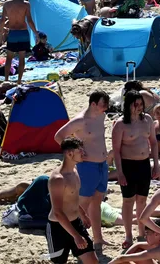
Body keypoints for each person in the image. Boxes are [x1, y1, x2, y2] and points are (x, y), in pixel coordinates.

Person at [54, 90, 111, 249]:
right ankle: (78, 242)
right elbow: (59, 136)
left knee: (97, 203)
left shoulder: (101, 116)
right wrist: (74, 152)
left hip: (102, 165)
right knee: (81, 206)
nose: (105, 108)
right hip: (86, 166)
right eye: (102, 105)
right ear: (93, 104)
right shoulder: (80, 121)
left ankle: (98, 239)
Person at [111, 90, 158, 250]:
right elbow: (116, 150)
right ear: (128, 105)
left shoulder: (148, 120)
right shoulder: (120, 124)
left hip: (144, 164)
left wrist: (156, 164)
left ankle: (140, 233)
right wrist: (120, 172)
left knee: (142, 201)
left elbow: (154, 142)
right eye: (135, 104)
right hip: (128, 165)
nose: (139, 107)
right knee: (128, 201)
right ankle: (128, 235)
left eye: (141, 104)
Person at [46, 137, 99, 264]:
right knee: (59, 262)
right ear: (70, 154)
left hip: (75, 222)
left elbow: (72, 198)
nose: (83, 153)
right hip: (57, 227)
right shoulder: (58, 179)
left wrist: (83, 214)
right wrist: (76, 236)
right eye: (80, 151)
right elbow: (58, 212)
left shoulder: (75, 171)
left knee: (92, 261)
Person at [1, 0, 37, 83]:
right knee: (21, 58)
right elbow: (29, 20)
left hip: (12, 33)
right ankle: (19, 81)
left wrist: (0, 35)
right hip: (23, 33)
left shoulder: (7, 4)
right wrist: (36, 33)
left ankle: (6, 79)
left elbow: (3, 21)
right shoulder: (26, 4)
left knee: (9, 58)